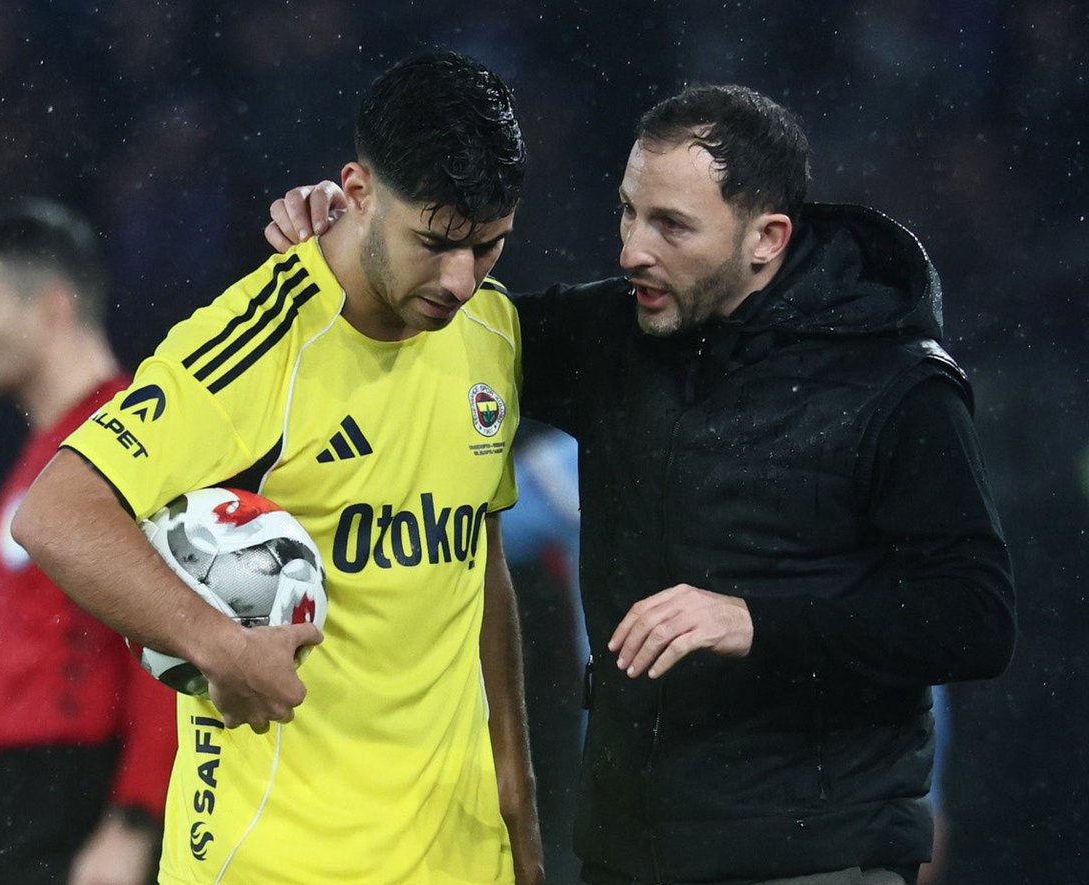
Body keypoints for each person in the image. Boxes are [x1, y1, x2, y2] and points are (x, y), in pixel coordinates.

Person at [268, 83, 1015, 885]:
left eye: (670, 225)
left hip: (817, 857)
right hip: (628, 852)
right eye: (628, 212)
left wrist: (756, 620)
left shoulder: (895, 383)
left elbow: (973, 617)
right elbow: (444, 330)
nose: (630, 250)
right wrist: (357, 240)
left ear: (766, 237)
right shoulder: (614, 336)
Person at [12, 53, 543, 884]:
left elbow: (480, 563)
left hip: (458, 855)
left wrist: (517, 801)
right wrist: (218, 643)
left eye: (490, 246)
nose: (461, 280)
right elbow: (55, 514)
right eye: (435, 243)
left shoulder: (494, 332)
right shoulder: (262, 341)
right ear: (358, 191)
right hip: (276, 859)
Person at [0, 200, 177, 885]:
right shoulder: (42, 455)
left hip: (89, 795)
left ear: (51, 308)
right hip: (25, 805)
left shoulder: (131, 436)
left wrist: (136, 818)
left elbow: (170, 637)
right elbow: (18, 658)